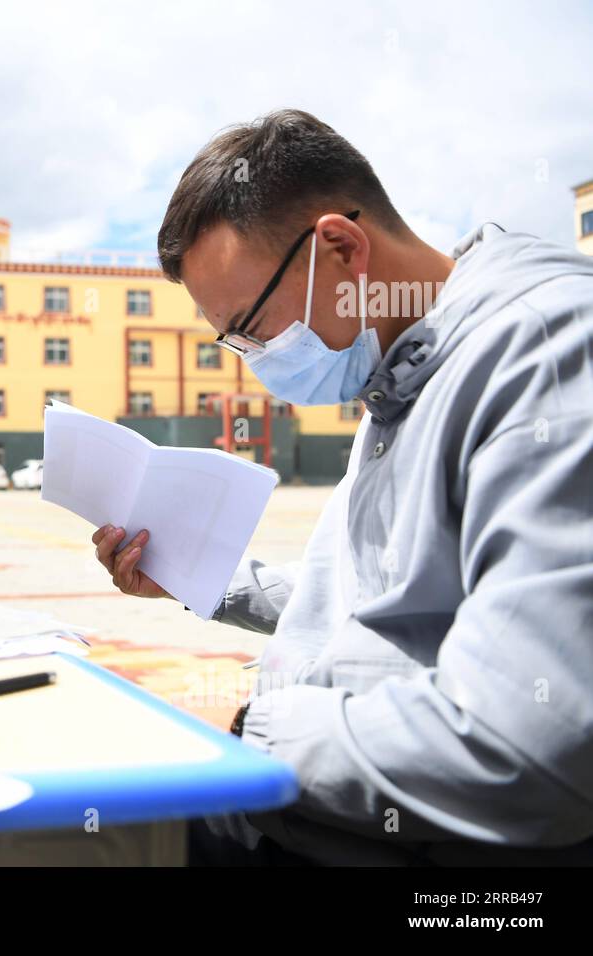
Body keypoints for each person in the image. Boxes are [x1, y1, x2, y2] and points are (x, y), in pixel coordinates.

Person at [94, 109, 593, 865]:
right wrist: (200, 576)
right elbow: (372, 604)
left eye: (252, 328)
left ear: (340, 247)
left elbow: (529, 741)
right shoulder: (396, 374)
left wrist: (245, 730)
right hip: (325, 793)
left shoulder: (541, 356)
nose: (251, 360)